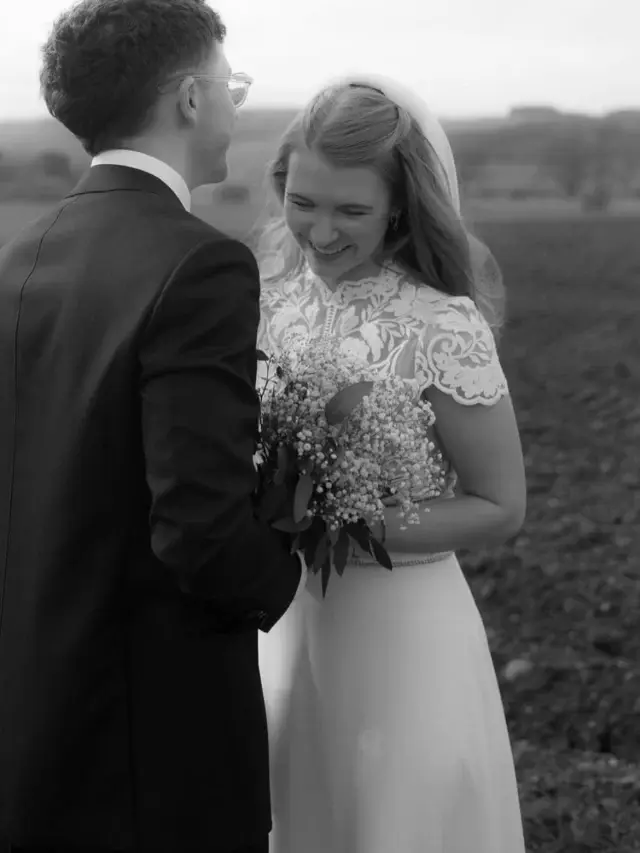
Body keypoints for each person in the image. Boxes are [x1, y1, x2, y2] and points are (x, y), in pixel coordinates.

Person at [0, 2, 305, 852]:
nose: (234, 108)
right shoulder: (199, 264)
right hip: (154, 745)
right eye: (230, 87)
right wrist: (286, 567)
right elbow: (199, 527)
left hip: (35, 715)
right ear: (190, 99)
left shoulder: (21, 256)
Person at [256, 75, 527, 853]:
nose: (320, 231)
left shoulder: (443, 324)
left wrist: (342, 519)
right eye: (303, 202)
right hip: (288, 622)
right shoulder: (271, 301)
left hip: (405, 634)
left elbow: (500, 506)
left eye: (351, 210)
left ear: (400, 206)